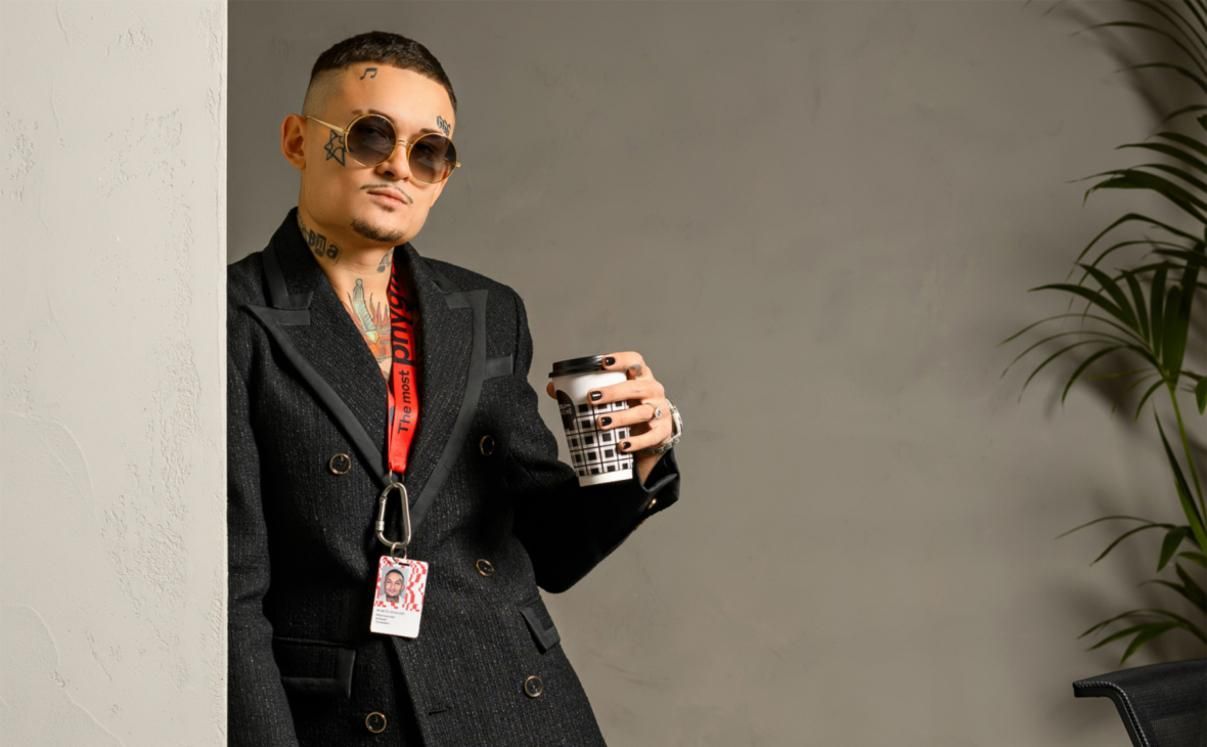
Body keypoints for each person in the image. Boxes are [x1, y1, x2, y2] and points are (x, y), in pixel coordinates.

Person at [227, 30, 684, 746]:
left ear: (442, 176)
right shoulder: (233, 319)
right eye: (370, 134)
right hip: (357, 716)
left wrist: (636, 462)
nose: (398, 166)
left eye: (428, 151)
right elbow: (232, 600)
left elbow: (550, 550)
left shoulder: (487, 312)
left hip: (522, 704)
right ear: (297, 140)